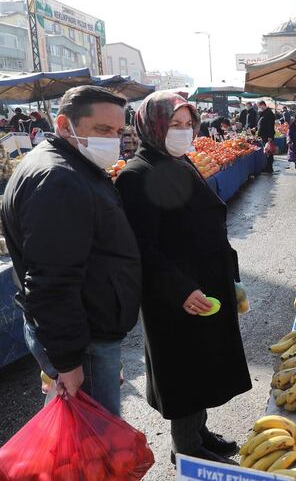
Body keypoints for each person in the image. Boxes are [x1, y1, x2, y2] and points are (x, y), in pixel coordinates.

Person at [115, 91, 251, 465]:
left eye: (188, 124)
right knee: (185, 371)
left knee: (206, 364)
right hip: (177, 295)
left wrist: (230, 277)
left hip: (206, 284)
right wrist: (179, 289)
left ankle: (200, 433)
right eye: (175, 125)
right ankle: (187, 449)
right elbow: (142, 247)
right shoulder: (137, 174)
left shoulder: (180, 160)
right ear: (153, 126)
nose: (184, 131)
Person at [0, 86, 141, 415]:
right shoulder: (59, 179)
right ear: (64, 124)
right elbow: (52, 281)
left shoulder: (72, 165)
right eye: (102, 130)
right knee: (95, 445)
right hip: (85, 340)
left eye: (119, 131)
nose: (113, 139)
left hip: (87, 333)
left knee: (91, 438)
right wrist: (69, 362)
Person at [257, 101, 276, 173]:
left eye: (259, 106)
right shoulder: (264, 113)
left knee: (268, 152)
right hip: (264, 135)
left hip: (267, 135)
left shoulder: (269, 113)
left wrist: (270, 136)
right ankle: (268, 167)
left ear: (263, 105)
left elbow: (270, 126)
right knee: (267, 151)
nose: (259, 108)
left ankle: (269, 168)